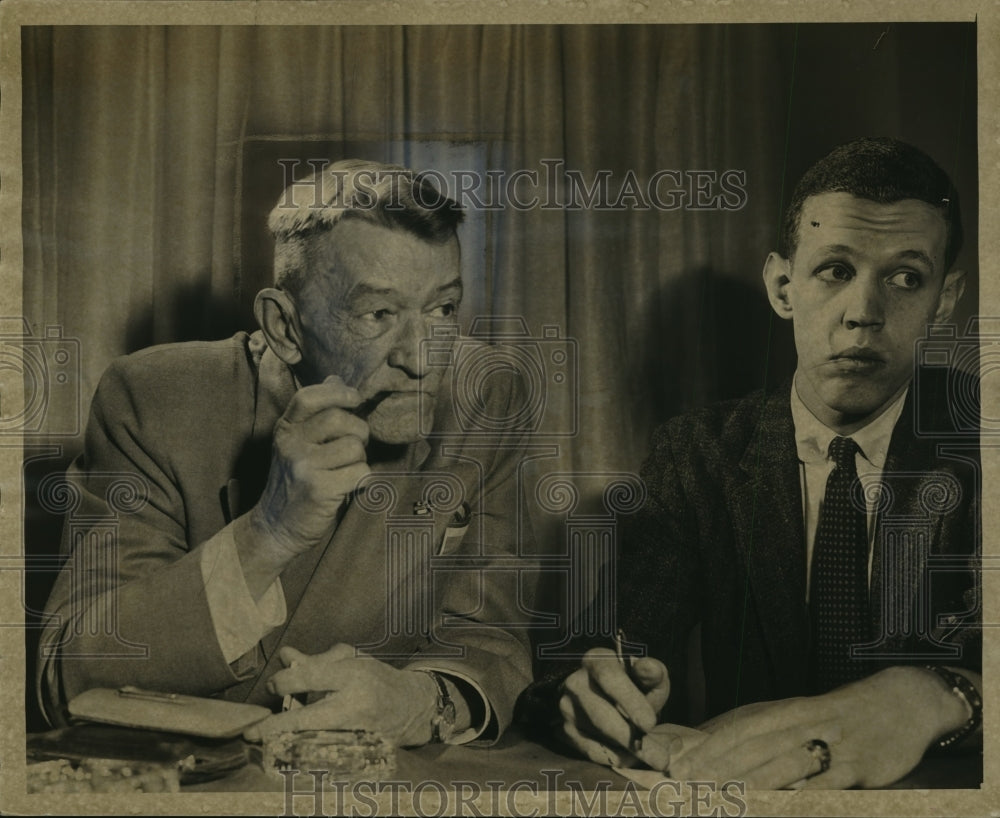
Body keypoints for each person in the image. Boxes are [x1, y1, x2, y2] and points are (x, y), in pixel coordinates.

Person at [38, 159, 536, 748]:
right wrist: (269, 534)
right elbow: (66, 679)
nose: (424, 358)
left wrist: (423, 700)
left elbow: (490, 639)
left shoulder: (488, 396)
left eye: (442, 309)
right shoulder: (152, 399)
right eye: (379, 314)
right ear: (285, 326)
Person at [532, 137, 981, 788]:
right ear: (782, 285)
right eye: (834, 270)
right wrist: (589, 687)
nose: (863, 314)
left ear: (944, 299)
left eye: (906, 277)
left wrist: (929, 696)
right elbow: (604, 643)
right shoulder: (700, 454)